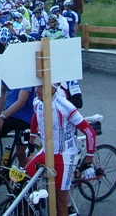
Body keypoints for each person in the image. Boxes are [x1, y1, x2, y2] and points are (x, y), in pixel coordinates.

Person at [26, 83, 96, 216]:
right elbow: (35, 118)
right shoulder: (37, 102)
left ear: (52, 88)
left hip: (64, 156)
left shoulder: (65, 106)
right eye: (36, 86)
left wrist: (89, 159)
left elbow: (90, 132)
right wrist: (31, 142)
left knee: (60, 202)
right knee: (21, 182)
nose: (36, 90)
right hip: (45, 152)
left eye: (41, 87)